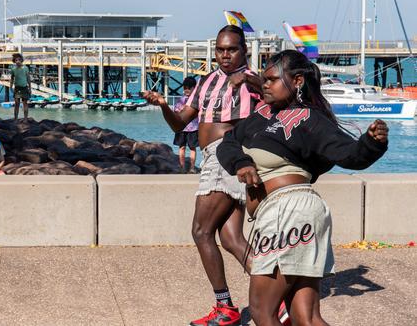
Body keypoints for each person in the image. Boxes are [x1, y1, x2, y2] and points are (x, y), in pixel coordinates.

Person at [216, 50, 388, 326]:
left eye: (272, 79)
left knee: (262, 311)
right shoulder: (261, 115)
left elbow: (350, 155)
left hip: (288, 212)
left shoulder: (309, 119)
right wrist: (242, 163)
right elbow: (228, 143)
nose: (266, 85)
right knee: (304, 316)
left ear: (297, 81)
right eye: (264, 79)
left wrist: (372, 144)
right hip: (296, 214)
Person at [143, 25, 264, 326]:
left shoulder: (250, 79)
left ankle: (226, 307)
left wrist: (249, 80)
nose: (225, 55)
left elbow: (268, 90)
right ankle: (277, 297)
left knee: (200, 231)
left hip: (227, 154)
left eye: (232, 49)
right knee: (232, 238)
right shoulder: (206, 81)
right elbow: (180, 123)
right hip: (214, 156)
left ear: (243, 50)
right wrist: (163, 106)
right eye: (220, 50)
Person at [173, 77, 199, 173]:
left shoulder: (197, 100)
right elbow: (175, 112)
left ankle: (192, 167)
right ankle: (182, 166)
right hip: (181, 127)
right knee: (182, 147)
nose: (186, 90)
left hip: (194, 127)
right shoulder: (180, 99)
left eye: (189, 88)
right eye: (185, 88)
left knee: (193, 148)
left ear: (194, 88)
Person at [10, 53, 31, 121]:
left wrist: (30, 88)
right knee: (17, 104)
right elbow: (12, 78)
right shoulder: (13, 69)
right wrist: (10, 87)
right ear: (14, 61)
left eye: (19, 59)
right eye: (16, 60)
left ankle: (25, 118)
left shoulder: (25, 68)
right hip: (17, 88)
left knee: (25, 103)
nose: (18, 61)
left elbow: (28, 78)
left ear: (21, 60)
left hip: (24, 87)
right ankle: (16, 118)